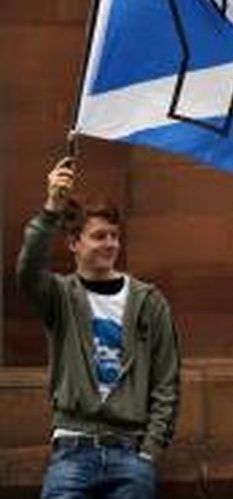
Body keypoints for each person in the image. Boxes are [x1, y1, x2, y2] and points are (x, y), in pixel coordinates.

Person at [16, 156, 180, 498]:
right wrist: (51, 208)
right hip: (72, 452)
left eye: (115, 235)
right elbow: (28, 272)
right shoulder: (60, 296)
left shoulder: (149, 302)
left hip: (131, 454)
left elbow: (167, 382)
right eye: (99, 236)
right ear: (74, 243)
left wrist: (150, 450)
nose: (110, 244)